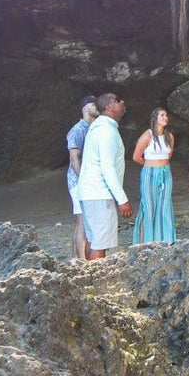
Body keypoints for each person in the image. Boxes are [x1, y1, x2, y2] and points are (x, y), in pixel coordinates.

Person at [76, 92, 132, 260]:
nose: (122, 101)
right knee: (100, 244)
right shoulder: (106, 131)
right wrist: (122, 200)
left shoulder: (98, 128)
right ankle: (95, 282)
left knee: (94, 240)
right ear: (108, 107)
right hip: (99, 194)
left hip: (90, 194)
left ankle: (88, 279)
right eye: (116, 100)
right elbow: (107, 168)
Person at [131, 107, 177, 244]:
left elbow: (169, 156)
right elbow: (136, 156)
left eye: (166, 115)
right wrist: (150, 166)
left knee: (165, 205)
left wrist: (162, 167)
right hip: (150, 173)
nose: (165, 117)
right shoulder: (148, 135)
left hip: (165, 172)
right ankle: (144, 242)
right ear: (155, 118)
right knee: (149, 206)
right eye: (162, 115)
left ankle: (166, 240)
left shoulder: (169, 136)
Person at [65, 96, 97, 261]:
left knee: (84, 221)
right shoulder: (78, 130)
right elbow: (74, 158)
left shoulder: (92, 128)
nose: (96, 106)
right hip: (78, 182)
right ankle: (83, 261)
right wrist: (83, 179)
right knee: (83, 221)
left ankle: (76, 258)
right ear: (85, 108)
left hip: (87, 181)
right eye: (93, 104)